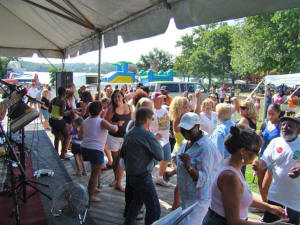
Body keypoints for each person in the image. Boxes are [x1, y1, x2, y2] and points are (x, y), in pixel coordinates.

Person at [203, 125, 290, 225]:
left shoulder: (232, 165)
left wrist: (269, 207)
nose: (258, 155)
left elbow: (240, 197)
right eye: (256, 151)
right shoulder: (230, 177)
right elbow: (234, 222)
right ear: (243, 151)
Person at [164, 112, 222, 224]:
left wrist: (189, 167)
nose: (185, 133)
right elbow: (182, 164)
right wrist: (172, 172)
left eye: (189, 130)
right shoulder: (186, 142)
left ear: (198, 127)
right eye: (183, 129)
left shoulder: (205, 148)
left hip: (199, 201)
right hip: (186, 198)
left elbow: (204, 179)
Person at [253, 116, 300, 225]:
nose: (284, 127)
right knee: (269, 222)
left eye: (289, 125)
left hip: (294, 198)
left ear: (298, 129)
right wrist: (258, 165)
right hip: (276, 195)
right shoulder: (276, 142)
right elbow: (265, 161)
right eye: (283, 124)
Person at [120, 107, 163, 225]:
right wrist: (156, 140)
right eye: (151, 119)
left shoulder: (129, 134)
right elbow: (160, 155)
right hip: (143, 176)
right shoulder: (147, 135)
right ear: (146, 119)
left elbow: (122, 154)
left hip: (131, 176)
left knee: (137, 202)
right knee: (154, 209)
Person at [79, 101, 118, 202]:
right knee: (94, 173)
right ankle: (90, 194)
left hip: (84, 148)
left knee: (95, 170)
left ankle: (94, 187)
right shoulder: (101, 121)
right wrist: (117, 126)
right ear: (101, 110)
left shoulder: (85, 120)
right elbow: (113, 129)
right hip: (95, 150)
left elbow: (80, 136)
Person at [106, 90, 133, 192]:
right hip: (113, 137)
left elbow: (132, 121)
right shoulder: (111, 108)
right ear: (112, 99)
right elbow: (106, 120)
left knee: (121, 161)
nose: (117, 99)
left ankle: (118, 182)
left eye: (118, 96)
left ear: (122, 97)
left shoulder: (129, 107)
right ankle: (116, 178)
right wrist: (116, 123)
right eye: (115, 97)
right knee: (116, 160)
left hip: (125, 137)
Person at [256, 104, 281, 204]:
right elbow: (261, 140)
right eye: (268, 114)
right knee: (260, 183)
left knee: (265, 186)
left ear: (278, 113)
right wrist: (258, 137)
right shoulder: (265, 124)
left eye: (273, 114)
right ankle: (264, 204)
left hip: (274, 159)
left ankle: (269, 208)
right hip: (263, 156)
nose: (270, 117)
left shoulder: (281, 126)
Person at [149, 92, 172, 187]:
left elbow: (165, 122)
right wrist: (153, 135)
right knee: (151, 161)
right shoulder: (150, 112)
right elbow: (146, 126)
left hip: (165, 139)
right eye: (159, 99)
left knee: (166, 158)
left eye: (162, 99)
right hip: (154, 140)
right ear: (153, 100)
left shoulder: (165, 109)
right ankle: (148, 178)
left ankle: (160, 177)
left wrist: (168, 131)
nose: (161, 100)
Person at [48, 87, 72, 159]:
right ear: (64, 93)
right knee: (67, 136)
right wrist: (69, 112)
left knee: (57, 137)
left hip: (52, 120)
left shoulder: (54, 99)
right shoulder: (63, 101)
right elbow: (62, 113)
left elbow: (49, 110)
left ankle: (56, 153)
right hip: (59, 120)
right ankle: (63, 154)